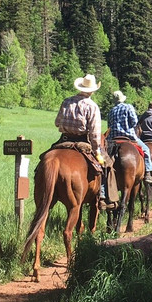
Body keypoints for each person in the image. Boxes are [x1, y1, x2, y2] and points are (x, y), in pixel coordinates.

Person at [54, 73, 109, 204]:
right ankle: (102, 194)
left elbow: (57, 122)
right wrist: (97, 152)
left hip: (64, 139)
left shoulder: (66, 101)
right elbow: (95, 134)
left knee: (43, 160)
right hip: (83, 141)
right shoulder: (92, 106)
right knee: (104, 166)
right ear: (93, 91)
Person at [106, 90, 152, 185]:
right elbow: (134, 122)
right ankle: (148, 173)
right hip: (128, 137)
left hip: (112, 139)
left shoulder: (111, 111)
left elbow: (109, 126)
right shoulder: (128, 107)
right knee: (146, 149)